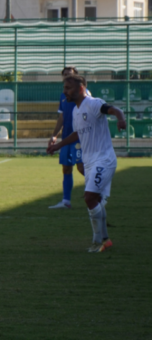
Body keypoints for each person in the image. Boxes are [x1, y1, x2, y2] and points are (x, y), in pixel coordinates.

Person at [47, 75, 124, 252]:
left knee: (89, 198)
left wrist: (121, 118)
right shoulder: (75, 110)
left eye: (68, 88)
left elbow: (114, 110)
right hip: (90, 161)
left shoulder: (94, 103)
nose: (64, 91)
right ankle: (105, 239)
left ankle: (99, 241)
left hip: (103, 159)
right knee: (94, 199)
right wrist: (58, 145)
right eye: (64, 87)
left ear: (81, 88)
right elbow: (77, 134)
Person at [47, 66, 86, 209]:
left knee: (81, 168)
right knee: (66, 169)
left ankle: (97, 193)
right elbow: (62, 117)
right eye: (64, 75)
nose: (66, 77)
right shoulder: (63, 95)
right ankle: (66, 201)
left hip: (79, 138)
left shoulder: (85, 93)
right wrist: (54, 135)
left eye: (69, 75)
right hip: (66, 138)